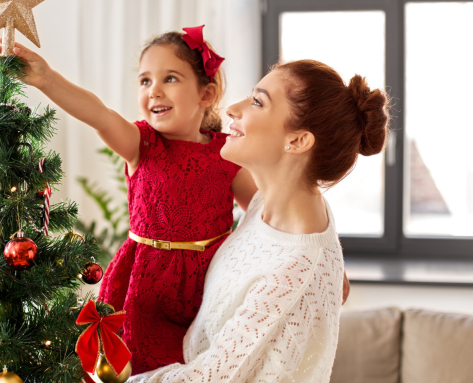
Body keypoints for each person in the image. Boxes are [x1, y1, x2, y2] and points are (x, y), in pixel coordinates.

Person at [0, 26, 258, 374]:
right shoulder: (141, 143)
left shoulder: (228, 154)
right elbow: (99, 115)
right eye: (145, 81)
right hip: (143, 288)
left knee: (201, 370)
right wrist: (48, 79)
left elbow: (265, 215)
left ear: (206, 94)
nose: (155, 91)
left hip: (210, 285)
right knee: (137, 370)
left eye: (171, 79)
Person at [127, 59, 388, 383]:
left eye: (257, 102)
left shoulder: (292, 274)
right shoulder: (272, 201)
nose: (233, 109)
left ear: (297, 141)